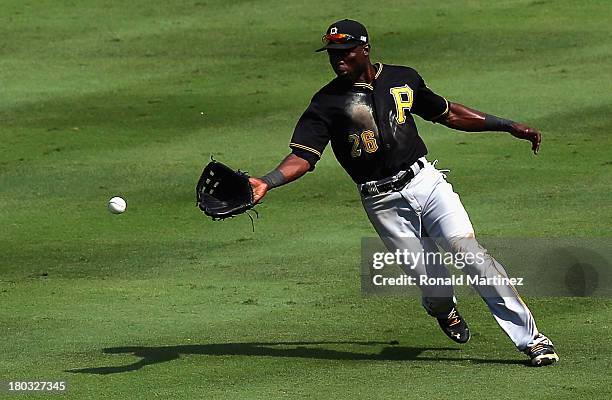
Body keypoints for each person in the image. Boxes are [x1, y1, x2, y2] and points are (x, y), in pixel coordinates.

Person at [248, 19, 558, 366]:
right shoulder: (326, 103)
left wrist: (506, 125)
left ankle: (533, 342)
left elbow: (448, 112)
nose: (338, 60)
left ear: (365, 49)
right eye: (333, 54)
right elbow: (304, 156)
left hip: (426, 182)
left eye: (345, 52)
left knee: (472, 255)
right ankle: (443, 310)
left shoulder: (402, 78)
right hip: (383, 202)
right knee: (437, 290)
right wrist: (268, 180)